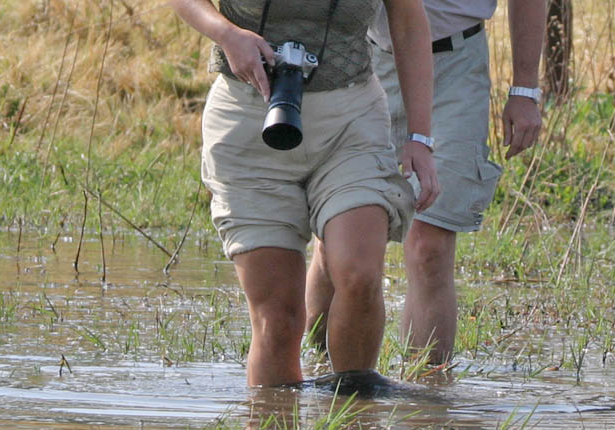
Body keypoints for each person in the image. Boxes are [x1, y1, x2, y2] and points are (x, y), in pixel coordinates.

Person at [169, 0, 438, 386]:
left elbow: (410, 25)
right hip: (248, 121)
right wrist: (226, 34)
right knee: (278, 320)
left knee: (359, 275)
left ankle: (354, 413)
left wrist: (420, 138)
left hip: (351, 121)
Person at [306, 0, 546, 364]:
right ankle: (321, 373)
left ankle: (426, 397)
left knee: (429, 245)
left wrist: (525, 90)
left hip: (454, 65)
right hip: (362, 60)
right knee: (338, 238)